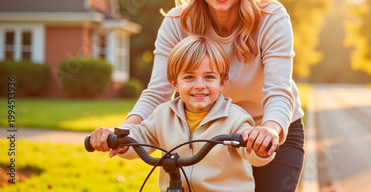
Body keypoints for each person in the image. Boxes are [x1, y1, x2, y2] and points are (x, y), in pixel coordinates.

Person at [94, 0, 305, 191]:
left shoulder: (272, 18)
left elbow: (278, 91)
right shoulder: (177, 23)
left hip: (267, 129)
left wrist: (271, 130)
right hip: (209, 131)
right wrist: (123, 133)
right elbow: (158, 91)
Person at [90, 35, 274, 191]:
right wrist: (118, 140)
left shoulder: (236, 118)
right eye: (189, 77)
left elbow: (252, 151)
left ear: (222, 82)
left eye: (209, 77)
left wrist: (258, 145)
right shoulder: (163, 115)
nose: (200, 85)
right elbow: (141, 136)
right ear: (174, 84)